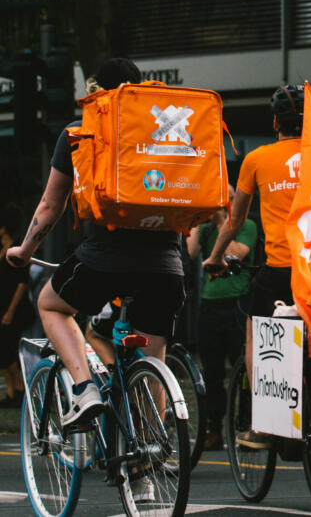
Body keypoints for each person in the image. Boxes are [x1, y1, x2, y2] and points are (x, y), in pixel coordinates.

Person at [6, 59, 186, 438]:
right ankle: (150, 454)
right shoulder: (168, 129)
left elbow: (50, 207)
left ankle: (85, 390)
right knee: (153, 356)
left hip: (105, 258)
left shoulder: (79, 132)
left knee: (50, 304)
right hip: (167, 263)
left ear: (96, 92)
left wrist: (24, 249)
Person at [202, 84, 304, 449]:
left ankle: (263, 421)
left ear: (276, 121)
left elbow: (234, 219)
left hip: (282, 268)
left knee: (254, 328)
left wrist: (215, 258)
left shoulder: (257, 159)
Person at [187, 184, 255, 451]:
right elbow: (191, 252)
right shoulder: (204, 228)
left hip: (237, 302)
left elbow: (235, 253)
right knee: (212, 372)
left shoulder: (246, 225)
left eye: (225, 198)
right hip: (210, 304)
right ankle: (213, 429)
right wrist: (196, 216)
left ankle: (246, 425)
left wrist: (222, 223)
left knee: (243, 368)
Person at [0, 206, 32, 408]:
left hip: (14, 309)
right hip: (2, 306)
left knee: (8, 350)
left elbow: (22, 282)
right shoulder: (1, 249)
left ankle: (19, 390)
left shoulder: (17, 249)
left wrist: (10, 312)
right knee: (3, 351)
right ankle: (12, 392)